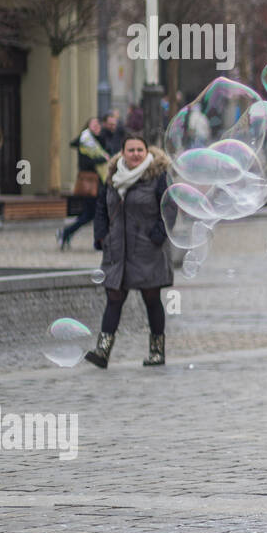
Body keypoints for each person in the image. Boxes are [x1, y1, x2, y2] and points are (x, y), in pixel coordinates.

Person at [84, 134, 174, 368]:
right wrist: (101, 236)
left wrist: (158, 235)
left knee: (151, 299)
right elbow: (101, 208)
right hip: (117, 250)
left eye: (140, 150)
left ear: (147, 152)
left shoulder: (158, 177)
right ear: (122, 153)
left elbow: (170, 209)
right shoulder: (113, 177)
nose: (135, 154)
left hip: (148, 249)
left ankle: (157, 352)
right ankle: (102, 352)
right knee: (114, 298)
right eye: (131, 150)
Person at [58, 118, 110, 250]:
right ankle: (67, 233)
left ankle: (66, 233)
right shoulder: (85, 142)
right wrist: (102, 158)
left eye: (98, 124)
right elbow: (86, 163)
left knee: (90, 215)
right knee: (91, 215)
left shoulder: (99, 141)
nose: (97, 126)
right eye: (94, 124)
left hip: (99, 183)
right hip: (90, 184)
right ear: (88, 127)